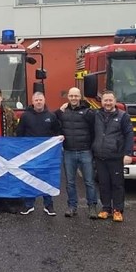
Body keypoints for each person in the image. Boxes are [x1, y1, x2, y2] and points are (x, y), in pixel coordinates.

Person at [16, 92, 62, 216]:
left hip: (46, 155)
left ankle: (48, 205)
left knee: (46, 179)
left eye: (40, 100)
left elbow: (57, 131)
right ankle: (28, 205)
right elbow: (19, 133)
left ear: (44, 100)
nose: (38, 102)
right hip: (29, 155)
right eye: (36, 100)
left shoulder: (51, 116)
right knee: (29, 178)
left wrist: (59, 138)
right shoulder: (25, 116)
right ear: (32, 102)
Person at [92, 90, 134, 223]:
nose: (108, 103)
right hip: (100, 156)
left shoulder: (123, 117)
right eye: (105, 100)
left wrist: (128, 153)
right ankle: (106, 208)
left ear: (115, 101)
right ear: (102, 101)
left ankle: (118, 210)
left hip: (116, 156)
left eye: (110, 100)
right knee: (103, 184)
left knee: (117, 184)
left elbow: (129, 135)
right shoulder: (96, 115)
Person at [55, 87, 98, 219]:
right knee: (70, 182)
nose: (74, 98)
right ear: (68, 97)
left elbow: (94, 130)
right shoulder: (62, 112)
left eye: (76, 96)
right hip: (68, 152)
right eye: (71, 96)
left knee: (89, 181)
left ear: (80, 97)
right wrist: (58, 111)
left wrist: (92, 147)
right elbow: (53, 121)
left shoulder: (88, 112)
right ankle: (72, 207)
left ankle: (92, 207)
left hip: (85, 151)